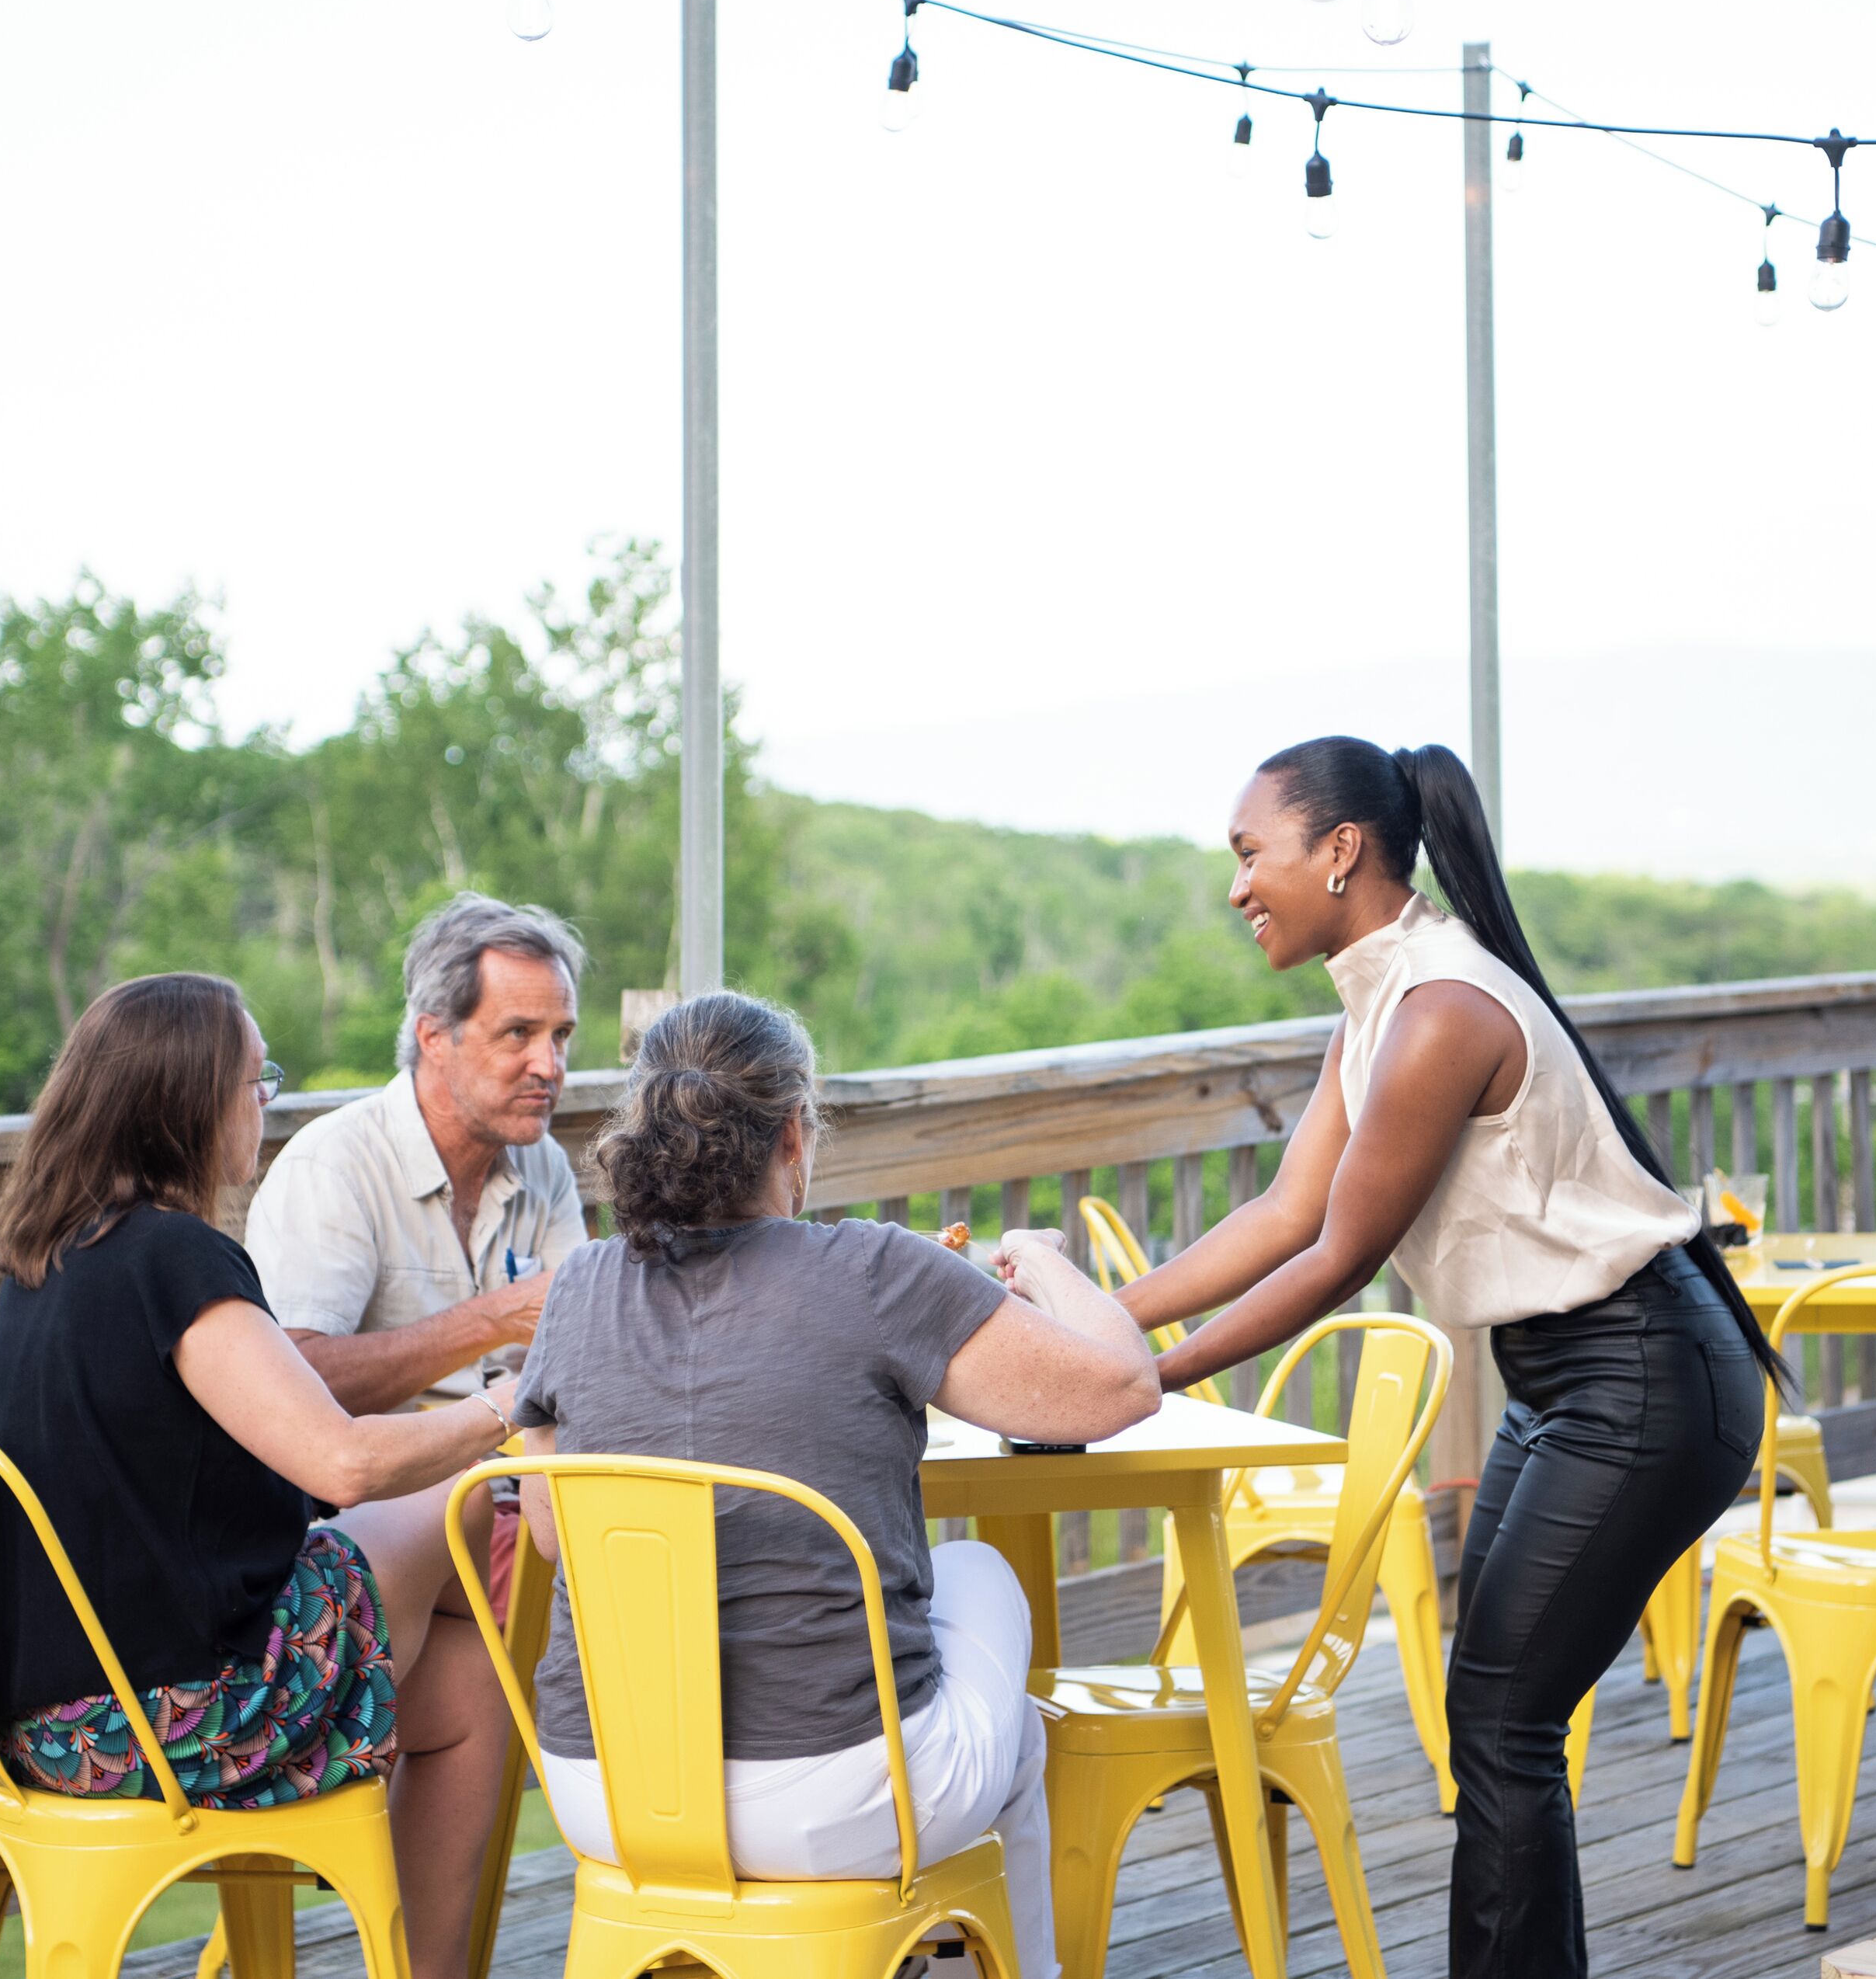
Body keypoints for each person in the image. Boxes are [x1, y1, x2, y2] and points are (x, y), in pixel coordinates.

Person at [1112, 738, 1779, 1979]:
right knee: (1504, 1721)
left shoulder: (1439, 1013)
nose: (1239, 883)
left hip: (1638, 1372)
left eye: (1252, 852)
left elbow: (1336, 1258)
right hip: (1567, 1374)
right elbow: (1281, 1213)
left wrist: (1142, 1380)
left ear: (1341, 851)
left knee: (1501, 1720)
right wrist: (1107, 1322)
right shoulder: (1381, 1004)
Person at [508, 993, 1161, 1979]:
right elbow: (1122, 1386)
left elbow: (554, 1533)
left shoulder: (581, 1284)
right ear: (794, 1135)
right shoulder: (872, 1269)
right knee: (985, 1593)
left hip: (606, 1791)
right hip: (832, 1796)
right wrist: (1038, 1260)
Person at [0, 972, 522, 1965]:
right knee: (454, 1499)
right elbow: (344, 1462)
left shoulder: (51, 1254)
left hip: (39, 1719)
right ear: (186, 1100)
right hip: (174, 1718)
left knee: (472, 1683)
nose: (266, 1100)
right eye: (255, 1078)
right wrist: (506, 1409)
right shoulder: (175, 1259)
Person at [246, 893, 588, 1615]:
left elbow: (582, 1345)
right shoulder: (334, 1164)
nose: (548, 1065)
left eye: (561, 1035)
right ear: (435, 1036)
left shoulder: (545, 1161)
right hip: (368, 1526)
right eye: (519, 1033)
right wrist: (495, 1317)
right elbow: (294, 1385)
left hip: (528, 1507)